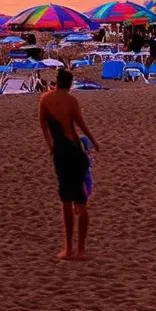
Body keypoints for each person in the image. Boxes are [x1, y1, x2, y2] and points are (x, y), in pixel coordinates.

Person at [38, 66, 100, 260]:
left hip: (61, 152)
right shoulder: (72, 101)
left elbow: (44, 127)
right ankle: (81, 250)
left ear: (57, 81)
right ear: (71, 83)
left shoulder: (45, 99)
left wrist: (51, 147)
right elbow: (80, 124)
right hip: (74, 150)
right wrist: (95, 142)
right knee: (81, 200)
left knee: (66, 200)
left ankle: (68, 249)